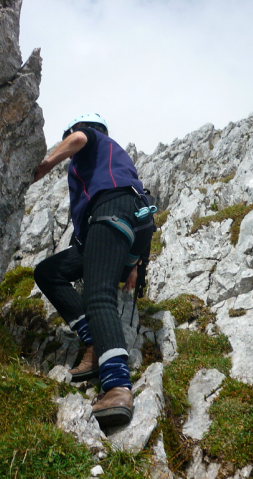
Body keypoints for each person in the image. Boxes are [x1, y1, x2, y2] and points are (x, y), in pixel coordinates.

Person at [32, 113, 154, 427]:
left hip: (109, 210)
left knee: (98, 296)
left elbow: (78, 138)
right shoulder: (113, 157)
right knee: (48, 273)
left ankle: (116, 386)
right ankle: (93, 341)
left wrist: (44, 167)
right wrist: (135, 264)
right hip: (128, 225)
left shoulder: (90, 138)